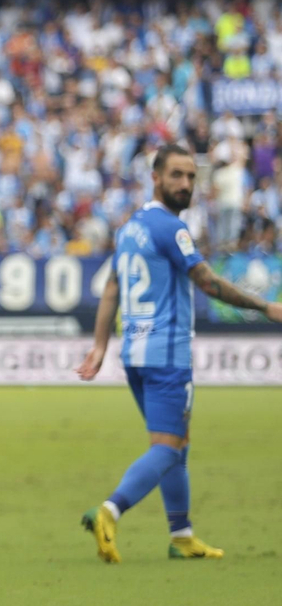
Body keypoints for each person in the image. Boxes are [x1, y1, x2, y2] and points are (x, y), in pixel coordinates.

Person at [77, 144, 282, 562]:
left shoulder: (130, 228)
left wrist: (100, 345)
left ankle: (181, 535)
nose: (186, 183)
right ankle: (109, 511)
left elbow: (112, 287)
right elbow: (207, 281)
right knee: (168, 447)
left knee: (176, 446)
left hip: (135, 353)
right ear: (155, 177)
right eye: (176, 175)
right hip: (167, 355)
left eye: (191, 176)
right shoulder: (172, 228)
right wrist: (265, 306)